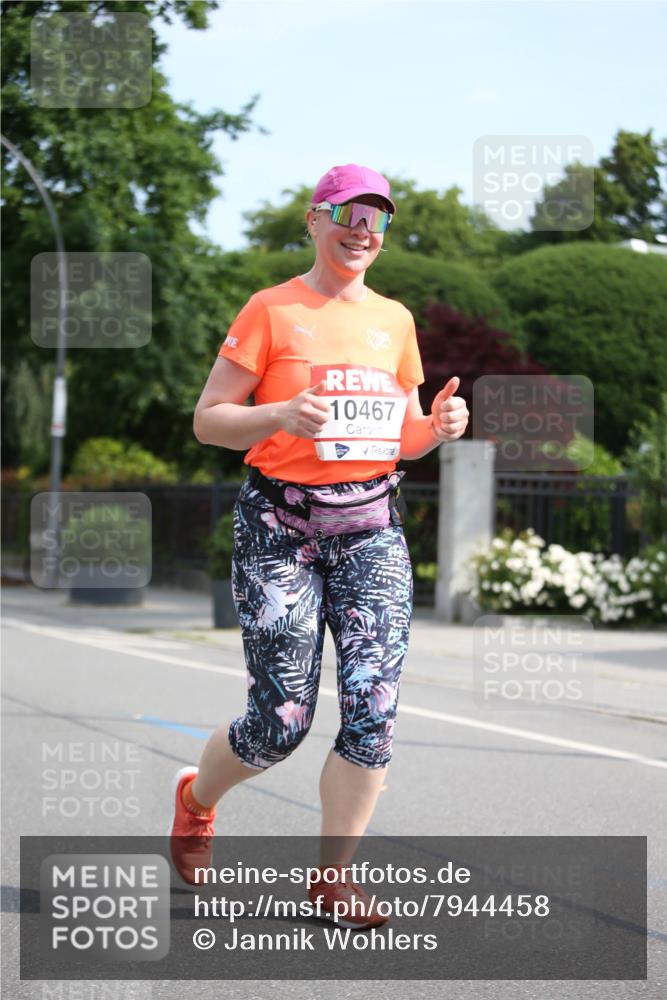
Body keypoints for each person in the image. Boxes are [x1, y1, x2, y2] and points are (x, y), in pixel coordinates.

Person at [169, 163, 469, 928]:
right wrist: (277, 416)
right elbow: (209, 419)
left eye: (377, 220)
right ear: (314, 219)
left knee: (372, 708)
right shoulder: (272, 309)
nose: (362, 230)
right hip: (279, 529)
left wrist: (433, 428)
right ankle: (197, 800)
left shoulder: (394, 321)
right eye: (348, 214)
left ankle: (332, 879)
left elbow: (396, 437)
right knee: (281, 719)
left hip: (370, 529)